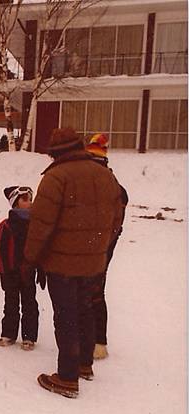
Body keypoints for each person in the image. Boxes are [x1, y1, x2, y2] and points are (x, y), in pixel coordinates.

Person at [24, 128, 124, 398]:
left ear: (56, 152)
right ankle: (84, 364)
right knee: (85, 310)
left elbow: (41, 226)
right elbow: (116, 219)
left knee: (66, 316)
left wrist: (30, 259)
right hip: (94, 261)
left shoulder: (56, 177)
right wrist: (100, 248)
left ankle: (67, 378)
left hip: (62, 263)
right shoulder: (105, 175)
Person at [85, 133, 129, 360]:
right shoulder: (115, 187)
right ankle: (97, 341)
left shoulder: (103, 187)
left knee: (90, 292)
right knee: (95, 292)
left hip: (96, 249)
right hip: (101, 248)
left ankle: (95, 341)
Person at [0, 186, 43, 351]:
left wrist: (40, 267)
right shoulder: (6, 225)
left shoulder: (35, 224)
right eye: (25, 200)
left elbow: (39, 248)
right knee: (11, 304)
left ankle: (29, 336)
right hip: (11, 273)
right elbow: (0, 251)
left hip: (28, 272)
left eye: (30, 199)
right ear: (15, 203)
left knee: (30, 304)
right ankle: (9, 333)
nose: (29, 203)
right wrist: (3, 272)